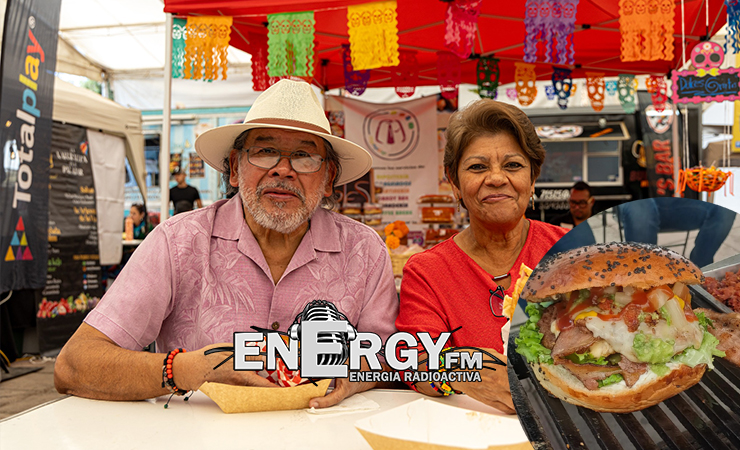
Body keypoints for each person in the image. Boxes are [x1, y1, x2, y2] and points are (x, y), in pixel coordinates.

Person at [54, 79, 399, 408]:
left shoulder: (364, 251)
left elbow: (389, 356)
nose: (283, 170)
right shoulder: (178, 242)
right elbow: (73, 365)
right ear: (234, 169)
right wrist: (190, 370)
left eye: (304, 157)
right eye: (265, 151)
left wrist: (353, 376)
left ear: (328, 181)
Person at [395, 99, 568, 413]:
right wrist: (465, 371)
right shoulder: (427, 271)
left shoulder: (570, 250)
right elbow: (413, 362)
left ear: (533, 178)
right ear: (455, 182)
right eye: (477, 167)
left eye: (513, 165)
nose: (496, 178)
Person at [618, 197, 736, 268]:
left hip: (677, 199)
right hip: (637, 201)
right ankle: (644, 276)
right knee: (640, 210)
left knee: (725, 208)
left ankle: (701, 270)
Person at [545, 181, 597, 256]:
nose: (577, 207)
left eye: (582, 203)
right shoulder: (556, 224)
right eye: (573, 202)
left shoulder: (600, 223)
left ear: (591, 202)